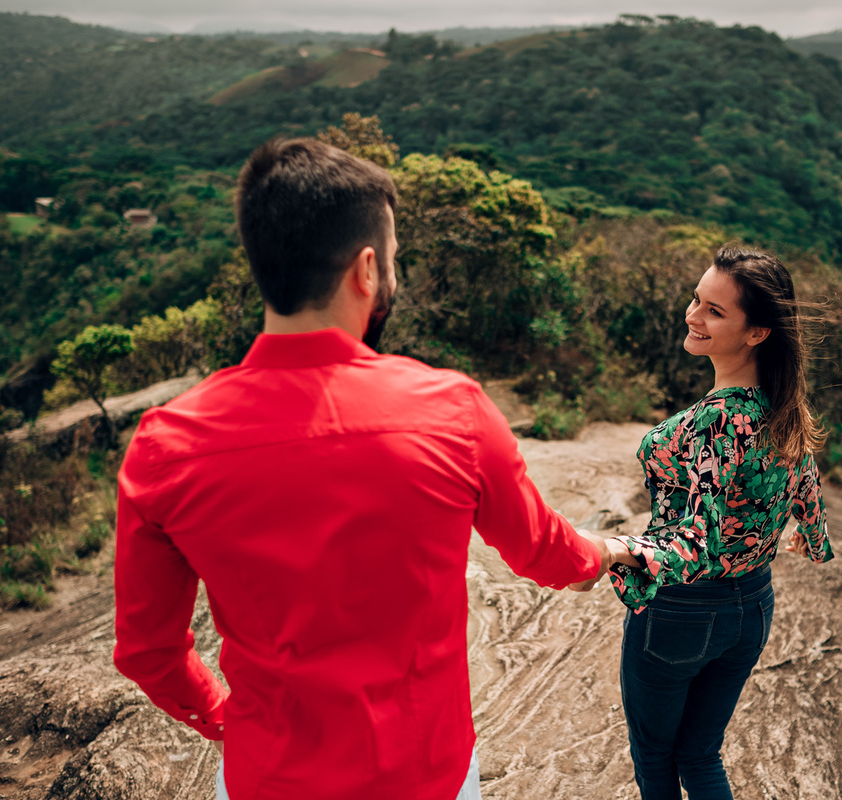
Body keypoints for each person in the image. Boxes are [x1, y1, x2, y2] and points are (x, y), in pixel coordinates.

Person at [111, 137, 615, 800]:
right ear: (368, 269)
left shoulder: (165, 445)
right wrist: (607, 553)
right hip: (424, 777)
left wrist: (226, 716)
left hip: (269, 777)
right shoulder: (454, 410)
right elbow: (546, 552)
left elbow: (148, 651)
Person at [571, 243, 835, 800]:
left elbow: (698, 539)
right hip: (751, 609)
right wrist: (806, 539)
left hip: (684, 611)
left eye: (715, 311)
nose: (693, 315)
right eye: (697, 299)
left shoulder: (720, 417)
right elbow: (805, 482)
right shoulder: (783, 401)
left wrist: (613, 549)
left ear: (757, 332)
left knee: (656, 755)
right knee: (698, 751)